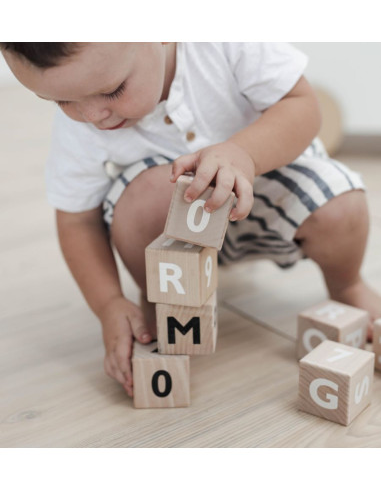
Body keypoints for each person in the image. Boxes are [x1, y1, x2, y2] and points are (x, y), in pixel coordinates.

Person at [1, 42, 380, 398]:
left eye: (113, 90)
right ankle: (162, 305)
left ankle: (347, 284)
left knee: (343, 204)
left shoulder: (225, 40)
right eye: (61, 100)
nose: (92, 115)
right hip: (170, 242)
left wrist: (243, 154)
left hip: (269, 196)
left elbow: (302, 106)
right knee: (149, 193)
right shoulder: (81, 123)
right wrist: (109, 303)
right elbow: (76, 221)